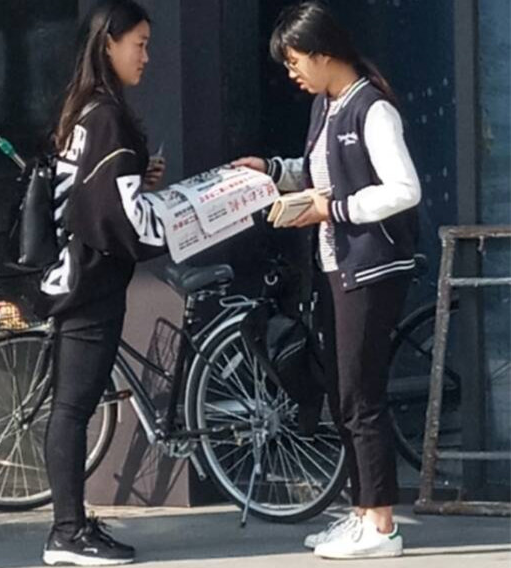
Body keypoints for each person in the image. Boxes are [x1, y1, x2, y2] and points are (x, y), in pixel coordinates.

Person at [234, 1, 421, 560]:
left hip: (373, 266)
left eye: (295, 61)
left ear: (323, 53)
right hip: (337, 267)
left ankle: (382, 524)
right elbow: (320, 172)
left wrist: (332, 210)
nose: (292, 72)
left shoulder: (372, 109)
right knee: (344, 395)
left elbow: (404, 189)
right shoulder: (326, 105)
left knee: (361, 396)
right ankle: (362, 513)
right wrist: (272, 171)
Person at [40, 1, 167, 565]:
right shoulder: (108, 116)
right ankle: (67, 534)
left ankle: (71, 527)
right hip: (91, 280)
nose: (146, 56)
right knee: (73, 408)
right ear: (109, 43)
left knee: (72, 407)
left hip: (72, 272)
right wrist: (172, 227)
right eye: (139, 43)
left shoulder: (83, 109)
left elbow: (92, 190)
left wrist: (138, 178)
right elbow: (114, 211)